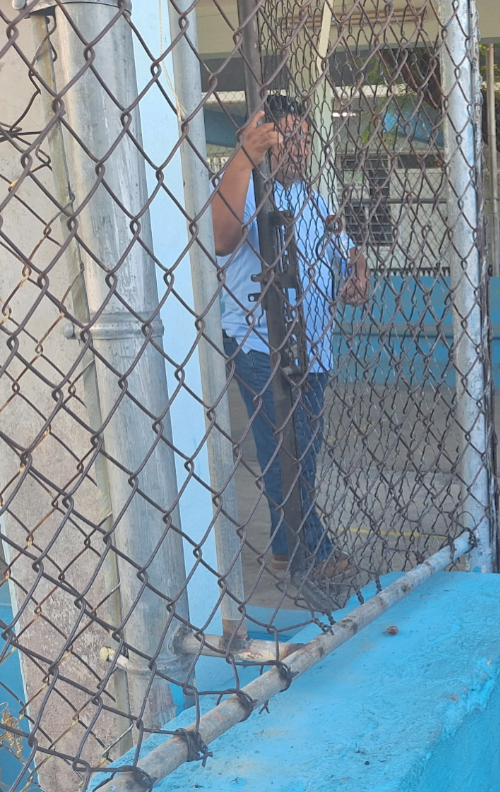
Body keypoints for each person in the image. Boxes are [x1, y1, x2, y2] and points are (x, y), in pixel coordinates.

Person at [213, 95, 370, 582]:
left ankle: (287, 545)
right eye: (285, 139)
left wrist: (357, 275)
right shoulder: (241, 185)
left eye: (304, 140)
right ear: (261, 139)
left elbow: (347, 259)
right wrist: (245, 156)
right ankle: (313, 554)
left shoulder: (313, 198)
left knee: (302, 454)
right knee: (287, 451)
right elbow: (221, 237)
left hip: (314, 349)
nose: (298, 150)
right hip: (260, 343)